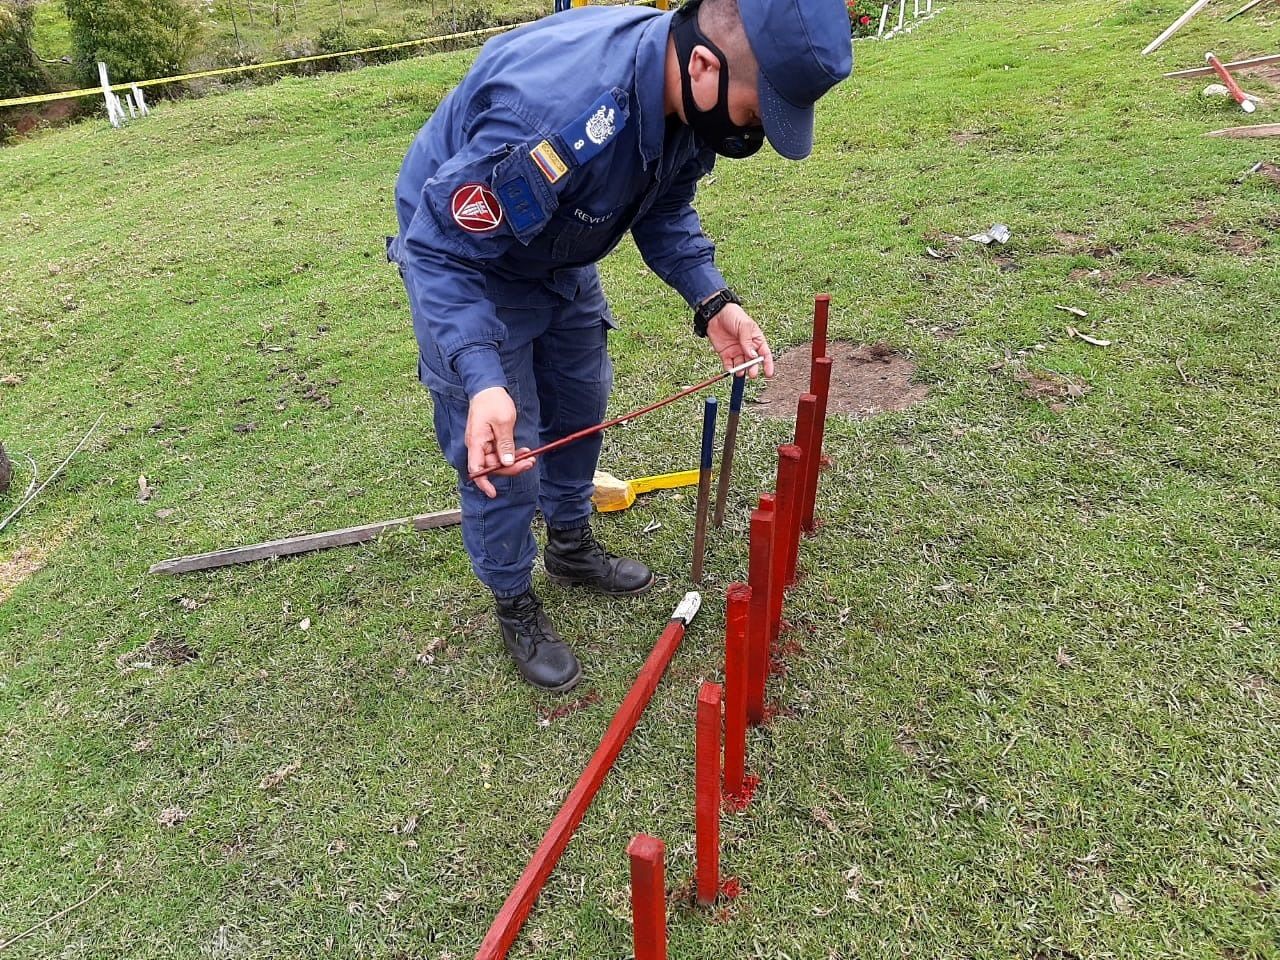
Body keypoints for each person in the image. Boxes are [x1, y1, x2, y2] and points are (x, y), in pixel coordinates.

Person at [389, 0, 852, 692]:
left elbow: (664, 205)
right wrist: (482, 378)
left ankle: (570, 545)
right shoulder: (552, 117)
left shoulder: (687, 94)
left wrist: (712, 299)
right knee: (504, 450)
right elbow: (440, 252)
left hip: (561, 243)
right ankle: (514, 598)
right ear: (704, 64)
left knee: (581, 395)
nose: (754, 127)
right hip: (471, 255)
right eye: (759, 110)